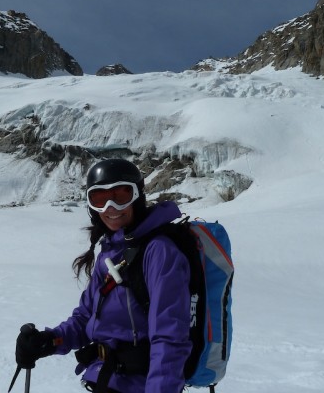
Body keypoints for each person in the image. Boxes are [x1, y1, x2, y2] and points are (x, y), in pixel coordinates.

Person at [15, 158, 192, 393]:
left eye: (121, 195)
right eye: (99, 198)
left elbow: (169, 338)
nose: (110, 207)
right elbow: (86, 318)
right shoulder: (111, 252)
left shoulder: (159, 252)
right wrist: (49, 341)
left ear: (138, 196)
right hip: (106, 380)